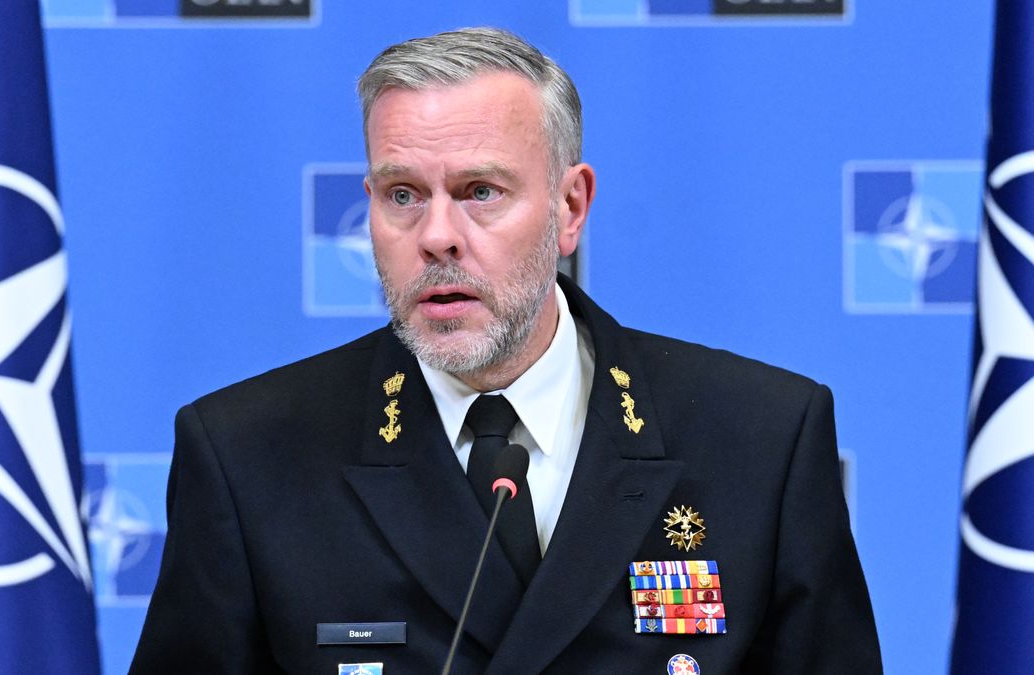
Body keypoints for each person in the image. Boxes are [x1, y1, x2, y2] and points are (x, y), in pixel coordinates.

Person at [131, 27, 882, 674]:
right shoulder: (248, 454)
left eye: (480, 190)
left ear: (570, 207)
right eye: (402, 194)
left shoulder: (760, 437)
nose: (436, 235)